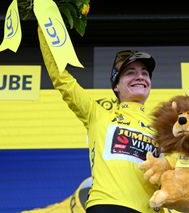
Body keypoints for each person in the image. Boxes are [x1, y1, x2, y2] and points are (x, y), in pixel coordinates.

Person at [33, 25, 165, 213]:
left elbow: (173, 182)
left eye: (145, 73)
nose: (140, 77)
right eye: (130, 72)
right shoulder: (97, 115)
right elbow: (62, 79)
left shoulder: (163, 130)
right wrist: (45, 26)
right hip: (106, 206)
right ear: (116, 85)